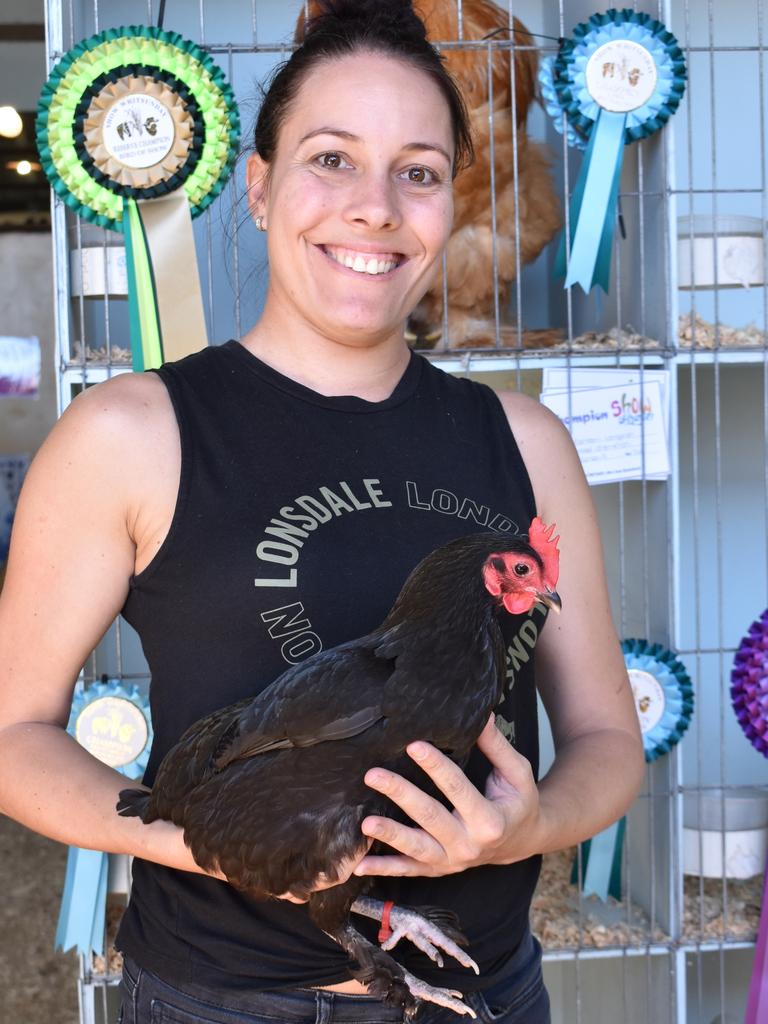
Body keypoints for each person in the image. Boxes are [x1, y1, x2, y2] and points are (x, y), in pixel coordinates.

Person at [0, 2, 644, 1022]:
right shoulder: (130, 434)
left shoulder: (525, 442)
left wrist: (521, 828)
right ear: (257, 187)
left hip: (479, 991)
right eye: (332, 159)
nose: (377, 207)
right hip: (220, 1000)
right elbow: (12, 733)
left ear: (449, 202)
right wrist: (205, 836)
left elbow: (609, 738)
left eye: (420, 171)